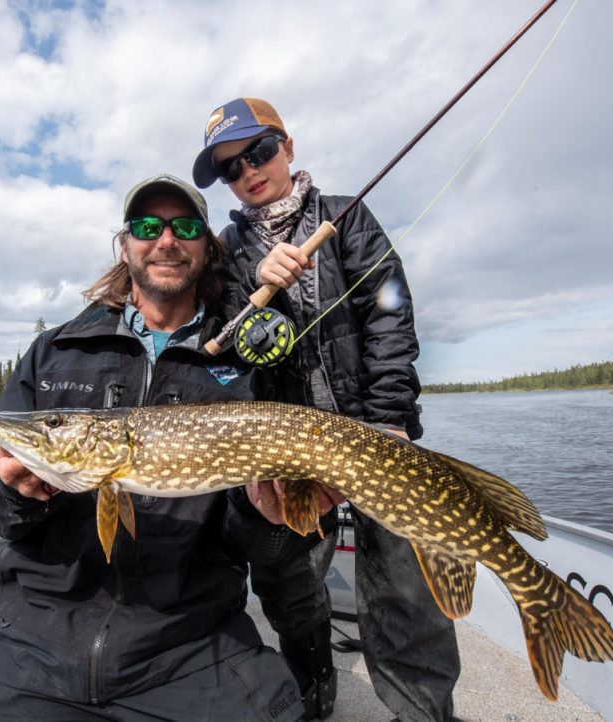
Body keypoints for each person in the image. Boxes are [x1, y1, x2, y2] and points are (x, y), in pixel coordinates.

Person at [0, 173, 338, 722]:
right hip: (33, 640)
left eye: (185, 226)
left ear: (206, 246)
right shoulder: (54, 351)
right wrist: (18, 494)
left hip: (191, 646)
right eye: (148, 226)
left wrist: (267, 513)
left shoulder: (249, 366)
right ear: (125, 245)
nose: (166, 240)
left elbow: (261, 549)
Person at [193, 98, 461, 722]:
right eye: (231, 168)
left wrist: (391, 415)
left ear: (287, 146)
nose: (249, 172)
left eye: (257, 153)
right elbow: (222, 342)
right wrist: (253, 281)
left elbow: (390, 311)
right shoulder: (229, 250)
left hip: (372, 432)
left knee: (404, 586)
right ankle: (311, 696)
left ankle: (422, 711)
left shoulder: (347, 216)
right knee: (292, 588)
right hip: (286, 451)